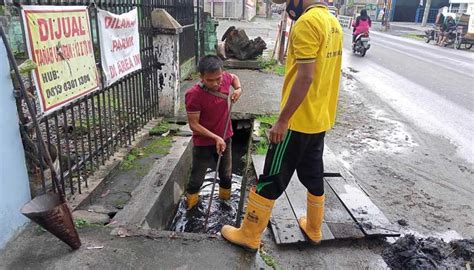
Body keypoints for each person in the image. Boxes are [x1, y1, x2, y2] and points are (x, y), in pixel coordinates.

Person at [221, 0, 343, 252]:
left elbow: (306, 76)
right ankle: (314, 228)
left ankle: (249, 234)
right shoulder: (332, 22)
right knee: (313, 173)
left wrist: (283, 119)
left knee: (272, 177)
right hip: (319, 118)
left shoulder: (307, 23)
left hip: (298, 121)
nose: (288, 5)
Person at [184, 55, 242, 210]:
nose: (216, 83)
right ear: (201, 77)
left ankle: (225, 202)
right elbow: (193, 125)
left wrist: (238, 89)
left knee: (226, 175)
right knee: (197, 179)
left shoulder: (225, 78)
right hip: (203, 143)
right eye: (210, 80)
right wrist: (215, 137)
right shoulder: (193, 95)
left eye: (219, 78)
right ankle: (190, 206)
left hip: (226, 137)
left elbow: (234, 78)